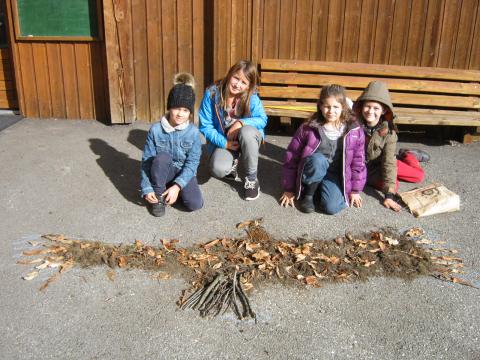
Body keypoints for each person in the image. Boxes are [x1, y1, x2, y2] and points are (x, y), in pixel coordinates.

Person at [279, 84, 366, 214]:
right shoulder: (308, 127)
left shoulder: (354, 130)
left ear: (343, 107)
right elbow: (292, 156)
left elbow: (358, 162)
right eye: (327, 106)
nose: (331, 111)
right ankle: (308, 194)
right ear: (320, 106)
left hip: (335, 174)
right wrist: (289, 189)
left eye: (336, 107)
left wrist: (354, 190)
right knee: (318, 160)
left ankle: (321, 189)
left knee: (332, 208)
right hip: (313, 168)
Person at [354, 81, 429, 212]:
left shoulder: (389, 133)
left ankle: (407, 155)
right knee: (395, 184)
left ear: (383, 110)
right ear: (361, 107)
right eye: (367, 106)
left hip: (384, 162)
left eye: (376, 108)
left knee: (418, 176)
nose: (370, 111)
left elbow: (388, 163)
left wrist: (389, 196)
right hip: (367, 170)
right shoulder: (353, 126)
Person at [198, 60, 268, 201]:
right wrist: (224, 144)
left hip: (248, 137)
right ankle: (232, 162)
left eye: (244, 82)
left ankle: (251, 179)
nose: (238, 85)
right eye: (236, 78)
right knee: (218, 169)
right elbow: (205, 126)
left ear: (249, 86)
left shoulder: (252, 96)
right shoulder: (212, 94)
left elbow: (262, 119)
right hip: (226, 140)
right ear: (230, 74)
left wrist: (241, 123)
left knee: (247, 132)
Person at [140, 73, 203, 217]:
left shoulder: (193, 132)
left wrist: (178, 186)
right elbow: (146, 162)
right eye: (177, 108)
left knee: (195, 204)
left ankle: (172, 190)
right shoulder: (156, 130)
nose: (180, 114)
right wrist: (146, 187)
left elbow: (193, 163)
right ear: (169, 108)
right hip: (162, 170)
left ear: (190, 113)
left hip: (182, 172)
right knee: (161, 158)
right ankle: (158, 195)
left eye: (186, 110)